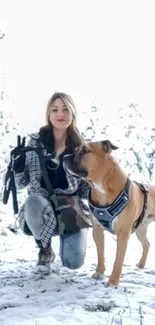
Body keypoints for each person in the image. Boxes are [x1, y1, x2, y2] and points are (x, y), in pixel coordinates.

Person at [11, 92, 91, 274]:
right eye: (55, 109)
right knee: (33, 201)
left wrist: (100, 182)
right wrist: (18, 167)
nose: (60, 114)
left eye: (65, 109)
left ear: (72, 114)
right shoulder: (35, 142)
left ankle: (67, 237)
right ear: (48, 114)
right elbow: (21, 183)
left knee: (73, 263)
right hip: (42, 206)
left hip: (70, 208)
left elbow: (86, 189)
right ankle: (45, 249)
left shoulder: (80, 148)